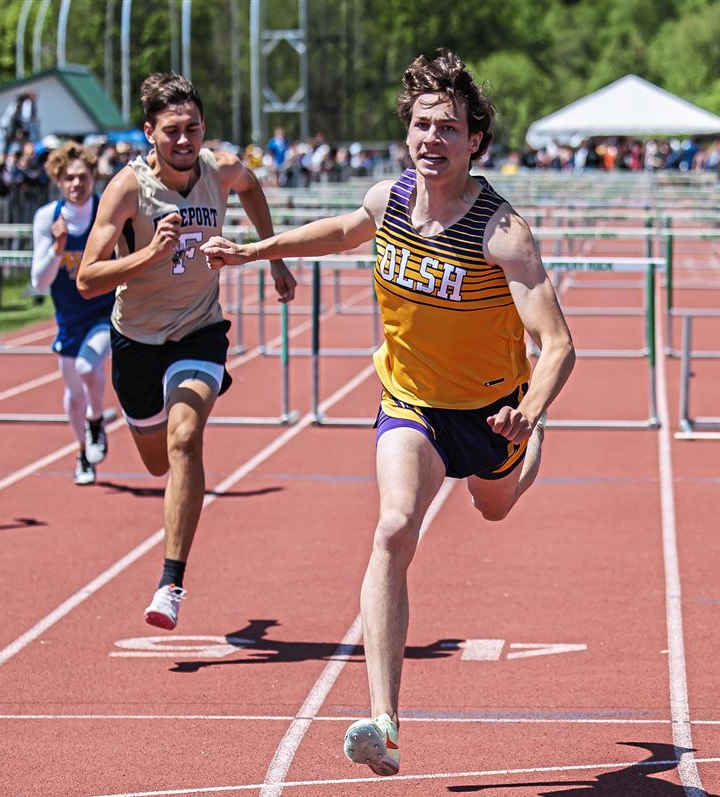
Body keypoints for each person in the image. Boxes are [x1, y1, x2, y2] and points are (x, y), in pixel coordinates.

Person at [201, 49, 575, 776]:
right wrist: (256, 252)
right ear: (408, 131)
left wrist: (529, 409)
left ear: (476, 142)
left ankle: (529, 454)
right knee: (394, 524)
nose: (432, 139)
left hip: (494, 412)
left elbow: (558, 343)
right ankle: (385, 720)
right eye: (422, 125)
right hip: (410, 401)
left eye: (449, 128)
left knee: (492, 507)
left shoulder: (503, 233)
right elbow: (343, 230)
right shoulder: (389, 200)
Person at [77, 73, 297, 630]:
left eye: (192, 129)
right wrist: (149, 254)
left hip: (199, 329)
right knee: (158, 460)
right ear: (149, 132)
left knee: (185, 437)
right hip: (137, 341)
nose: (184, 140)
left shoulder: (220, 170)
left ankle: (170, 582)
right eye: (171, 131)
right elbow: (87, 278)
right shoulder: (127, 190)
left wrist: (268, 255)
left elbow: (251, 188)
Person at [30, 142, 115, 485]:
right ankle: (82, 451)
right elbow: (39, 282)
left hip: (104, 312)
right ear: (58, 180)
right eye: (69, 178)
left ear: (94, 176)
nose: (76, 184)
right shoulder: (46, 218)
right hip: (68, 317)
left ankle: (97, 420)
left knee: (87, 367)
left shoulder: (106, 213)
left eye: (82, 176)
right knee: (73, 393)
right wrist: (57, 249)